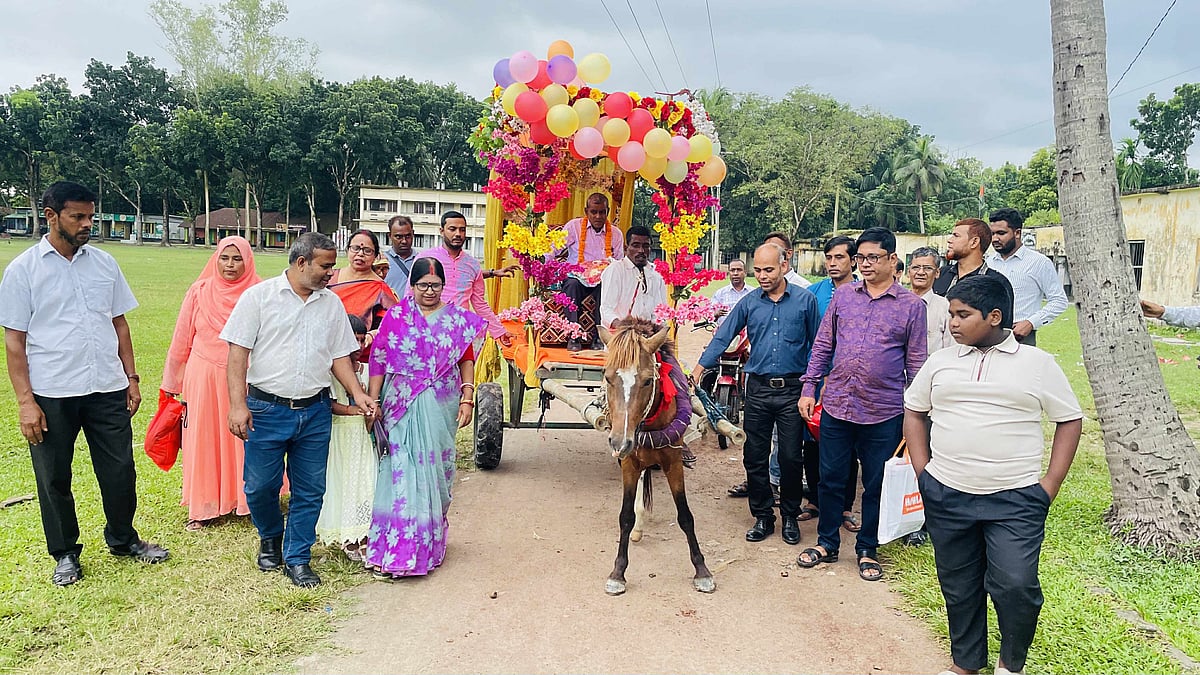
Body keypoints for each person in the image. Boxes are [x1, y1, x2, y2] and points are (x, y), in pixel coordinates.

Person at [904, 274, 1083, 675]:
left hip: (1015, 499)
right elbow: (914, 411)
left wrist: (1048, 486)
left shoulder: (1037, 365)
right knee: (959, 586)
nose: (952, 322)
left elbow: (1069, 420)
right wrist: (924, 473)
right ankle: (966, 664)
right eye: (951, 313)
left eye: (962, 315)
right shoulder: (941, 362)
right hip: (948, 493)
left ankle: (1009, 664)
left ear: (994, 316)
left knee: (1016, 585)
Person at [0, 180, 169, 586]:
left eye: (90, 216)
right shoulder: (24, 270)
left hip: (106, 387)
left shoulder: (104, 264)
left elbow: (120, 324)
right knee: (54, 476)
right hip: (52, 393)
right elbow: (14, 341)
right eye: (77, 216)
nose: (86, 224)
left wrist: (131, 377)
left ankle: (124, 539)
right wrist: (26, 403)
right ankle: (64, 553)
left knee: (120, 471)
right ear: (51, 216)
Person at [221, 232, 376, 588]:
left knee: (310, 490)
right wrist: (237, 405)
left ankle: (297, 557)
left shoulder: (331, 304)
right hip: (266, 409)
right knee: (260, 487)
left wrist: (357, 394)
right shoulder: (259, 298)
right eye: (325, 265)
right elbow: (237, 354)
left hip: (315, 411)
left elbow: (340, 356)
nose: (331, 272)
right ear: (302, 262)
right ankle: (271, 536)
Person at [797, 227, 927, 581]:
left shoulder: (912, 307)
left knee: (876, 483)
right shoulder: (843, 297)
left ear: (892, 260)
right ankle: (827, 543)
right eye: (860, 258)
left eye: (873, 258)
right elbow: (823, 345)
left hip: (884, 411)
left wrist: (914, 414)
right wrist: (809, 388)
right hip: (837, 404)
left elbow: (916, 363)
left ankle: (867, 548)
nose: (865, 264)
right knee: (831, 478)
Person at [364, 257, 486, 578]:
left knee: (436, 472)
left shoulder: (457, 321)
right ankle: (399, 550)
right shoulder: (397, 317)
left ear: (443, 287)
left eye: (435, 286)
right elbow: (378, 360)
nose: (429, 291)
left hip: (441, 405)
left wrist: (468, 397)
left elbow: (466, 358)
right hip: (400, 405)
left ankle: (427, 544)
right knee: (401, 471)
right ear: (412, 286)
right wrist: (374, 401)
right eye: (423, 286)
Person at [692, 243, 820, 544]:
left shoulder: (805, 301)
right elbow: (725, 334)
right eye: (758, 270)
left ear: (784, 266)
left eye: (769, 270)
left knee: (790, 458)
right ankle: (763, 517)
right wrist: (699, 369)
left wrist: (815, 385)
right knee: (754, 457)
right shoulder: (750, 302)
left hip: (792, 391)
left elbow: (820, 345)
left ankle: (790, 517)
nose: (762, 276)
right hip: (759, 390)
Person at [162, 236, 262, 531]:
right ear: (215, 259)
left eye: (237, 259)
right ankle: (203, 506)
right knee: (203, 440)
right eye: (224, 258)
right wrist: (172, 382)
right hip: (203, 376)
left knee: (245, 440)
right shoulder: (200, 292)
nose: (230, 265)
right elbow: (182, 338)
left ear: (248, 260)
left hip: (244, 376)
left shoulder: (259, 292)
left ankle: (248, 502)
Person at [788, 234, 860, 530]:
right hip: (815, 381)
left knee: (848, 445)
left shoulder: (864, 292)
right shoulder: (813, 293)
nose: (832, 263)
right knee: (812, 442)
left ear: (853, 261)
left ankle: (844, 507)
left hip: (850, 382)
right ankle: (815, 501)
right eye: (829, 258)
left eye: (839, 257)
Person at [315, 314, 376, 562]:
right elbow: (328, 403)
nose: (357, 348)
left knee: (366, 482)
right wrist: (352, 410)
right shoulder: (328, 372)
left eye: (362, 341)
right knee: (343, 483)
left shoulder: (369, 369)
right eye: (353, 341)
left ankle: (364, 534)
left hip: (363, 435)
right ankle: (347, 536)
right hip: (340, 433)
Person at [418, 211, 512, 347]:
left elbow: (480, 304)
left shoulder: (472, 264)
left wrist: (499, 332)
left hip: (460, 334)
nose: (458, 234)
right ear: (441, 231)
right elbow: (410, 296)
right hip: (428, 333)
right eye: (452, 229)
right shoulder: (425, 259)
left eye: (462, 230)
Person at [553, 193, 626, 351]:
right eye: (594, 212)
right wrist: (543, 269)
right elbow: (554, 249)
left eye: (602, 212)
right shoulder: (574, 227)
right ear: (586, 211)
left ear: (607, 212)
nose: (598, 216)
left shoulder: (616, 234)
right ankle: (574, 336)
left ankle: (599, 337)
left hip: (602, 279)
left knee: (607, 288)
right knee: (571, 285)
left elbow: (620, 262)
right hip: (576, 276)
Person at [986, 208, 1068, 346]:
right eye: (992, 234)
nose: (995, 239)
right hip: (988, 335)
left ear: (1017, 233)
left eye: (1001, 233)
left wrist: (1031, 322)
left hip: (1020, 337)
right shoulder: (989, 262)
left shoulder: (1039, 262)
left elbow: (1059, 301)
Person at [933, 218, 1015, 329]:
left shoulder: (997, 283)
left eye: (956, 236)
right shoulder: (940, 274)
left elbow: (1003, 329)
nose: (950, 240)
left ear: (974, 242)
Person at [600, 225, 668, 330]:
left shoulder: (656, 274)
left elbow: (661, 311)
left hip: (648, 336)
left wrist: (656, 330)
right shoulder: (616, 270)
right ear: (626, 248)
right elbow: (606, 310)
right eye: (636, 245)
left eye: (645, 246)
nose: (641, 250)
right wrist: (623, 328)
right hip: (622, 337)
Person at [329, 229, 399, 331]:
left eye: (367, 250)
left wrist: (372, 335)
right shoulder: (330, 278)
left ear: (375, 256)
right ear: (347, 250)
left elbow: (393, 323)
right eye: (355, 248)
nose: (360, 254)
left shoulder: (380, 289)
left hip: (363, 344)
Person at [909, 246, 955, 355]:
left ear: (937, 273)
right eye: (916, 267)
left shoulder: (946, 307)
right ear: (908, 271)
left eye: (927, 268)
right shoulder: (897, 304)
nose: (921, 272)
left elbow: (951, 348)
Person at [711, 259, 753, 327]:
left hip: (748, 335)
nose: (735, 273)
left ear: (745, 272)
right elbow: (710, 316)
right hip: (724, 335)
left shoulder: (753, 293)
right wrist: (715, 314)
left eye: (739, 270)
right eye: (732, 270)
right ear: (729, 273)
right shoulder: (720, 294)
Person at [382, 215, 417, 294]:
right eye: (398, 237)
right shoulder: (381, 261)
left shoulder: (421, 260)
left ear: (413, 234)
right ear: (389, 236)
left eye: (408, 236)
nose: (404, 241)